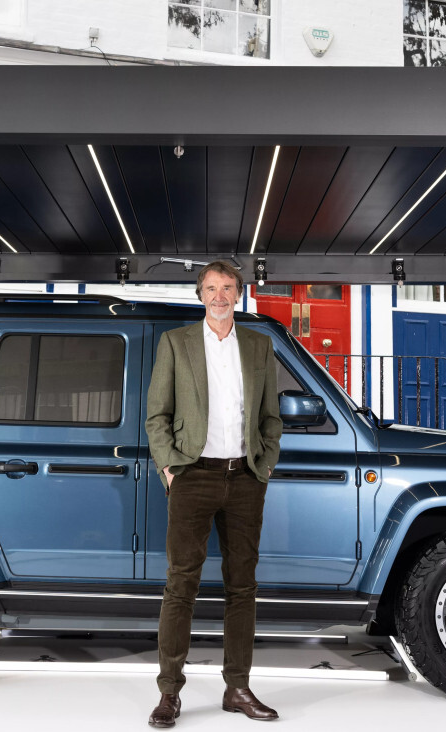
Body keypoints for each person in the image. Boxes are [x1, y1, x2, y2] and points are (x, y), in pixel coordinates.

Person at [145, 261, 282, 727]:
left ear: (238, 294)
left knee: (242, 587)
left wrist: (264, 465)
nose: (219, 296)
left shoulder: (259, 345)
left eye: (227, 287)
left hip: (245, 478)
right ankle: (169, 693)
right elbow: (157, 415)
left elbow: (271, 417)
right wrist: (170, 468)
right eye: (211, 288)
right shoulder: (176, 342)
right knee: (180, 584)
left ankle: (237, 688)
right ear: (200, 295)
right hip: (193, 475)